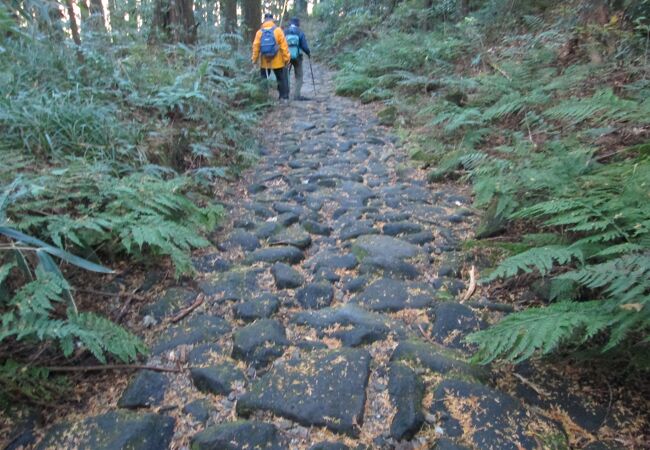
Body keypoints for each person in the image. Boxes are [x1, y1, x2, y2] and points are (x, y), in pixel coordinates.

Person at [251, 13, 290, 102]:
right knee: (281, 78)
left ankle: (264, 98)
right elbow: (284, 46)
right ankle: (283, 97)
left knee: (264, 80)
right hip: (278, 61)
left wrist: (254, 59)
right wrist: (287, 59)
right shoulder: (278, 31)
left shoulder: (259, 32)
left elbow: (256, 47)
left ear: (264, 20)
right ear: (272, 20)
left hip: (265, 62)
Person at [285, 18, 311, 101]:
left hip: (286, 57)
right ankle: (296, 95)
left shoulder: (285, 32)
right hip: (298, 57)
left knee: (286, 75)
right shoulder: (300, 32)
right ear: (298, 23)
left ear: (290, 23)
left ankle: (286, 94)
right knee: (299, 76)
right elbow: (304, 46)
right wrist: (308, 53)